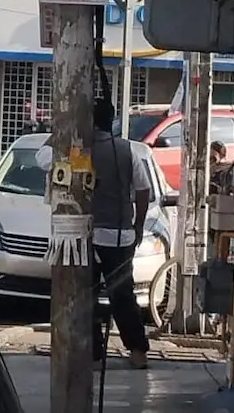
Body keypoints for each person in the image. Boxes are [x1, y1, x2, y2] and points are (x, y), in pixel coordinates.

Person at [35, 99, 151, 369]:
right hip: (119, 236)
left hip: (84, 235)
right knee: (123, 295)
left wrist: (62, 130)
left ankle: (94, 354)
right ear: (112, 120)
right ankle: (137, 351)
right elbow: (143, 189)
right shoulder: (126, 150)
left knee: (85, 295)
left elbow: (41, 159)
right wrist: (138, 225)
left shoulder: (74, 149)